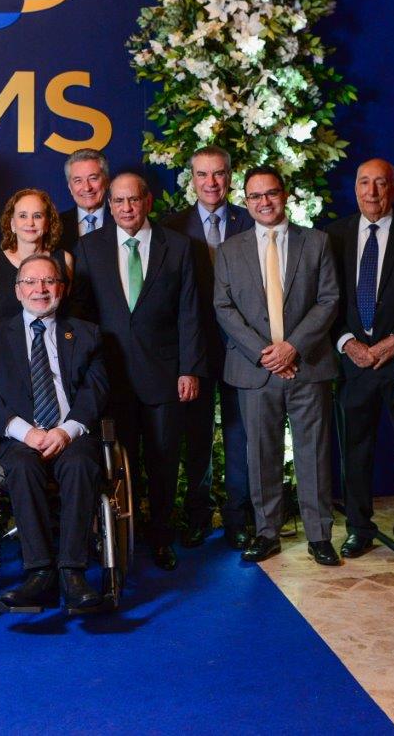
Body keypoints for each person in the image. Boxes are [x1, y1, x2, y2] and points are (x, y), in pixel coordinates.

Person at [71, 172, 203, 570]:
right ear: (109, 206)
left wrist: (189, 369)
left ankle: (161, 538)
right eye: (118, 201)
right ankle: (119, 538)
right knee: (117, 465)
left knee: (163, 463)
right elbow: (81, 316)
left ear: (147, 201)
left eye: (133, 200)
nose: (126, 208)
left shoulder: (177, 246)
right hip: (110, 380)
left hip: (165, 377)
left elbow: (190, 312)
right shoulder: (89, 247)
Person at [213, 167, 341, 566]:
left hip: (307, 365)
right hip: (256, 369)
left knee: (313, 452)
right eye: (255, 196)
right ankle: (267, 532)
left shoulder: (316, 242)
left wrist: (292, 348)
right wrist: (265, 352)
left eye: (270, 193)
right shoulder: (229, 251)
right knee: (261, 454)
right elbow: (224, 307)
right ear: (245, 201)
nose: (264, 202)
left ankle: (319, 535)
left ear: (284, 195)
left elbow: (328, 300)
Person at [0, 254, 110, 611]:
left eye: (49, 281)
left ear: (61, 288)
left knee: (80, 465)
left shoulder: (87, 333)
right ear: (17, 290)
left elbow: (96, 391)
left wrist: (66, 431)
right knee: (21, 466)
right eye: (30, 282)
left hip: (70, 433)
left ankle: (73, 572)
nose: (40, 289)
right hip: (21, 437)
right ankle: (39, 571)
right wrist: (25, 432)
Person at [327, 158, 394, 560]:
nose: (371, 192)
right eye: (364, 183)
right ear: (355, 188)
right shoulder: (334, 235)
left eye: (380, 183)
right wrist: (347, 342)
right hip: (353, 363)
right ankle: (358, 528)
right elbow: (325, 300)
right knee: (354, 452)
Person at [161, 146, 255, 550]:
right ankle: (197, 516)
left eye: (218, 174)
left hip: (242, 348)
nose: (211, 183)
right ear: (192, 179)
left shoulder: (250, 220)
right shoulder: (171, 227)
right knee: (197, 438)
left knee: (239, 435)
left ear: (230, 178)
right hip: (194, 349)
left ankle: (238, 519)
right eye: (202, 174)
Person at [0, 188, 74, 319]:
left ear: (47, 224)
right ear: (12, 224)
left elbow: (71, 315)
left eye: (37, 216)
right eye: (23, 216)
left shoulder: (65, 260)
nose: (30, 223)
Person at [57, 148, 110, 253]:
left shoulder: (121, 220)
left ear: (106, 181)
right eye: (78, 180)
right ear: (70, 187)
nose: (87, 188)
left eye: (93, 178)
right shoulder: (56, 225)